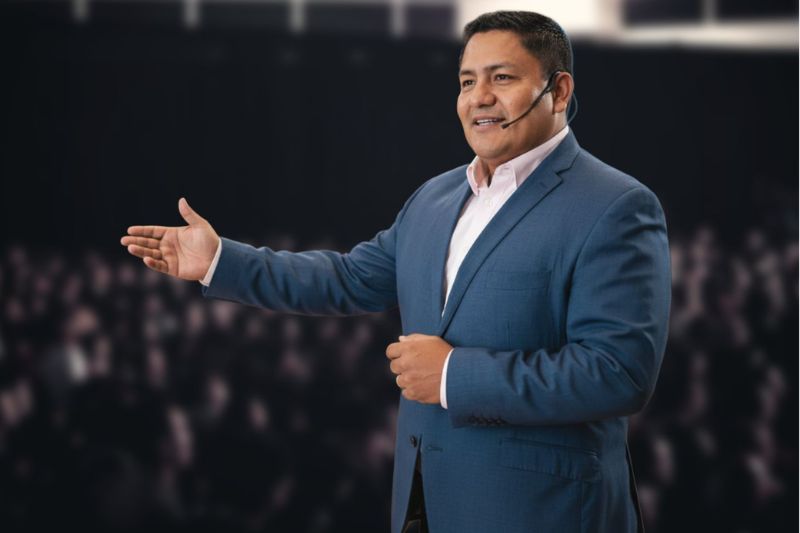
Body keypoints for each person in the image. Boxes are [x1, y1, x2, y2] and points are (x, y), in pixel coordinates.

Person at [121, 11, 670, 533]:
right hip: (424, 503)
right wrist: (221, 261)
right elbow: (346, 279)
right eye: (466, 81)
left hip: (541, 511)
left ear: (559, 91)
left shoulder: (615, 206)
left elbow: (618, 373)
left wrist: (453, 375)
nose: (479, 97)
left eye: (502, 78)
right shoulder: (434, 197)